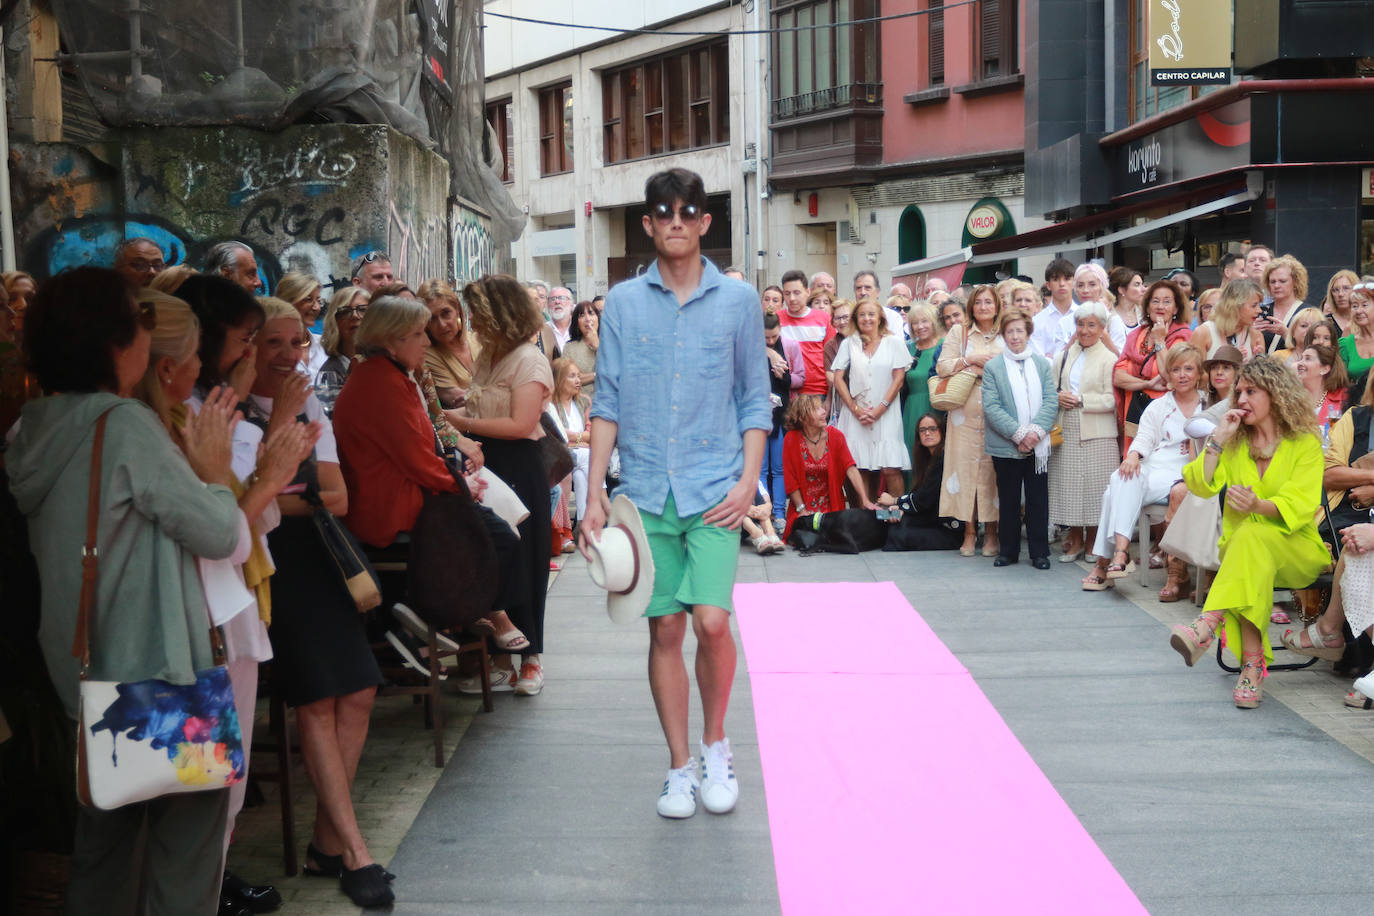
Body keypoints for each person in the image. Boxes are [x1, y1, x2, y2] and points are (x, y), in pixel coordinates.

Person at [7, 267, 243, 915]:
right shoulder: (124, 426)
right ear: (116, 343)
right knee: (186, 854)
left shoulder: (32, 428)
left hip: (82, 677)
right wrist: (217, 474)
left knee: (103, 856)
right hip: (159, 675)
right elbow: (219, 531)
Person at [580, 168, 771, 820]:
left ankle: (718, 744)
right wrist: (595, 494)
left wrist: (749, 482)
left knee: (712, 620)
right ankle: (679, 766)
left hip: (716, 485)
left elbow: (754, 397)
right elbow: (605, 400)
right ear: (648, 223)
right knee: (664, 625)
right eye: (664, 212)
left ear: (705, 222)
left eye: (688, 211)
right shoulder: (624, 304)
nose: (676, 222)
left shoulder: (739, 301)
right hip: (645, 489)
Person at [131, 290, 314, 916]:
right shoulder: (173, 424)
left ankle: (209, 880)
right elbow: (228, 534)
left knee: (186, 779)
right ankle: (203, 889)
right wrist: (265, 476)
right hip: (202, 615)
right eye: (245, 341)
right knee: (200, 778)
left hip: (197, 611)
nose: (250, 357)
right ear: (175, 363)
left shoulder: (155, 420)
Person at [233, 296, 394, 906]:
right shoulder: (226, 410)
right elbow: (247, 504)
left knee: (359, 686)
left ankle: (328, 841)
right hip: (271, 564)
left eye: (296, 342)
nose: (287, 354)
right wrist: (277, 491)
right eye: (271, 342)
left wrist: (274, 491)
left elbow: (337, 495)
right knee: (318, 698)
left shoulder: (310, 403)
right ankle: (354, 852)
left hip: (321, 555)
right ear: (246, 347)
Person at [331, 293, 526, 641]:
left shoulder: (385, 375)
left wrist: (458, 482)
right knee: (498, 536)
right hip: (389, 508)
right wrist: (461, 486)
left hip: (403, 495)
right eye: (419, 333)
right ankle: (458, 613)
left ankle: (459, 615)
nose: (427, 340)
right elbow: (416, 458)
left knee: (496, 526)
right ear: (393, 339)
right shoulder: (381, 382)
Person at [1168, 356, 1328, 709]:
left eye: (1250, 391)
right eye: (1238, 392)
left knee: (1250, 541)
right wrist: (1217, 440)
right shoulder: (1236, 442)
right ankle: (1251, 669)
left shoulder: (1304, 442)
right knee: (1250, 548)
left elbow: (1301, 506)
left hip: (1297, 549)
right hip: (1246, 552)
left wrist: (1259, 507)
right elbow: (1201, 485)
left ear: (1275, 394)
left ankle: (1210, 623)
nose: (1240, 399)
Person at [454, 274, 555, 696]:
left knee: (527, 556)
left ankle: (532, 659)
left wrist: (458, 422)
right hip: (486, 462)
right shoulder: (488, 354)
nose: (470, 320)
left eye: (477, 311)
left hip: (518, 463)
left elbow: (521, 424)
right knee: (496, 559)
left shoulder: (529, 360)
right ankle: (500, 660)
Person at [1082, 343, 1206, 589]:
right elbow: (1144, 438)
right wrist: (1133, 455)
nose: (1182, 375)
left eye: (1188, 369)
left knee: (1112, 492)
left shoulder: (1209, 404)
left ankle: (1105, 562)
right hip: (1156, 465)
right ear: (1167, 374)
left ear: (1199, 373)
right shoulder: (1159, 405)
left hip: (1184, 471)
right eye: (1176, 369)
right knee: (1123, 476)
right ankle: (1120, 553)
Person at [981, 308, 1057, 568]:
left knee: (1038, 501)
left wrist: (1035, 432)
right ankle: (1008, 551)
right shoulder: (993, 367)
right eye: (1010, 331)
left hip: (1039, 446)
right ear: (1003, 335)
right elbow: (991, 407)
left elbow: (1050, 400)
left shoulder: (1042, 364)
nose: (1015, 336)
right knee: (1009, 500)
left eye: (1019, 331)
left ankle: (1039, 553)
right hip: (1006, 445)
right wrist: (1019, 434)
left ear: (1028, 333)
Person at [936, 284, 1004, 556]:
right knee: (963, 471)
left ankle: (991, 533)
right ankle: (968, 532)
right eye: (979, 302)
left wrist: (986, 367)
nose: (984, 307)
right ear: (971, 307)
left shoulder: (1005, 330)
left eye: (989, 302)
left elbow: (1015, 362)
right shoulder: (959, 332)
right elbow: (942, 366)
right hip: (963, 410)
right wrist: (971, 360)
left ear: (997, 305)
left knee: (992, 473)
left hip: (997, 411)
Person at [1048, 301, 1117, 562]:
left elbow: (1112, 400)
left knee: (1096, 488)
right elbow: (1050, 391)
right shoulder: (1063, 355)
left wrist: (1081, 400)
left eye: (1091, 325)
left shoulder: (1110, 359)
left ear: (1102, 328)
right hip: (1067, 425)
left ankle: (1093, 543)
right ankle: (1075, 539)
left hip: (1099, 431)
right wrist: (1059, 398)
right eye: (1080, 324)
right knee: (1070, 486)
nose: (1085, 330)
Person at [832, 299, 913, 498]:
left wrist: (880, 410)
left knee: (890, 468)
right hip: (855, 414)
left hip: (886, 413)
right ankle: (864, 522)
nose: (867, 318)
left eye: (871, 314)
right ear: (855, 319)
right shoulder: (849, 343)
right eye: (862, 315)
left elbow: (899, 378)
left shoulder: (893, 342)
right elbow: (838, 378)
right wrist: (855, 409)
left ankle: (896, 518)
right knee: (860, 468)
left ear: (880, 319)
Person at [782, 394, 876, 540]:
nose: (823, 411)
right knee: (803, 536)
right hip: (804, 509)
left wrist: (865, 500)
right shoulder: (791, 439)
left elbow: (850, 468)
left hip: (832, 509)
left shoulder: (836, 436)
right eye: (816, 409)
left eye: (821, 407)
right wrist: (802, 510)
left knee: (834, 535)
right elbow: (790, 480)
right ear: (803, 418)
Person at [1114, 279, 1193, 437]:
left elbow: (1170, 377)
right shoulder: (1135, 335)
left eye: (1167, 302)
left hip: (1167, 416)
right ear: (1148, 307)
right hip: (1135, 413)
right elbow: (1117, 377)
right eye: (1155, 301)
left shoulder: (1183, 336)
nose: (1160, 306)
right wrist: (1147, 383)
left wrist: (1159, 342)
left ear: (1176, 308)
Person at [763, 311, 805, 528]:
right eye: (766, 337)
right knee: (760, 469)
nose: (770, 341)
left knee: (778, 468)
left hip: (782, 412)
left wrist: (784, 377)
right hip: (759, 413)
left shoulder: (790, 345)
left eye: (773, 336)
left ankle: (779, 513)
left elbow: (801, 377)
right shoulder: (753, 347)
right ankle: (762, 512)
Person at [418, 279, 480, 410]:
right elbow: (456, 399)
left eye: (445, 313)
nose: (441, 324)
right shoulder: (427, 354)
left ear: (457, 310)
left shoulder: (478, 339)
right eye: (432, 318)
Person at [777, 268, 834, 397]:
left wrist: (830, 397)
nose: (791, 298)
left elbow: (832, 360)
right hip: (785, 391)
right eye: (787, 293)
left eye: (797, 293)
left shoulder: (824, 319)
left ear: (808, 292)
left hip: (818, 392)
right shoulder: (775, 319)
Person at [549, 356, 593, 522]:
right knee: (588, 459)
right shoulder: (551, 405)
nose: (578, 381)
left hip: (581, 455)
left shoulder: (584, 402)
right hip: (562, 456)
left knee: (582, 477)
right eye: (572, 376)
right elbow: (557, 436)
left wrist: (573, 436)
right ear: (559, 379)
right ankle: (587, 522)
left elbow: (593, 436)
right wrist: (581, 439)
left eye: (578, 376)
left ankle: (580, 524)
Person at [902, 302, 942, 472]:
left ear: (933, 321)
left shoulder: (945, 345)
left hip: (937, 408)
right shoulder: (907, 348)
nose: (920, 326)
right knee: (913, 455)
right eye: (915, 323)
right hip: (911, 410)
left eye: (924, 321)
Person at [316, 286, 369, 414]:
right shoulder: (329, 374)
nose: (355, 316)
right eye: (345, 311)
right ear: (334, 320)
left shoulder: (384, 361)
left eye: (362, 310)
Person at [1189, 278, 1265, 361]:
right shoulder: (1203, 333)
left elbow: (1260, 373)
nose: (1259, 310)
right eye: (1254, 305)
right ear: (1235, 306)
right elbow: (1196, 372)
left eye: (1259, 305)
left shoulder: (1256, 336)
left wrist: (1258, 363)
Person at [277, 271, 327, 380]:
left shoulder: (324, 345)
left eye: (318, 300)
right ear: (287, 302)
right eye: (308, 299)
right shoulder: (271, 348)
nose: (317, 307)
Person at [1257, 254, 1308, 350]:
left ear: (1295, 283)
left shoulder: (1307, 312)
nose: (1276, 285)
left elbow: (1314, 349)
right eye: (1272, 281)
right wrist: (1250, 332)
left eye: (1282, 281)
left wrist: (1285, 334)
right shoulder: (1259, 310)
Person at [1030, 257, 1077, 360]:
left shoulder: (1084, 316)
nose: (1062, 284)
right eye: (1056, 279)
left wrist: (1053, 357)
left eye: (1067, 278)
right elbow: (1039, 360)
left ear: (1074, 282)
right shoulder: (1037, 321)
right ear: (1048, 285)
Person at [1293, 343, 1348, 432]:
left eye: (1308, 358)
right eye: (1301, 358)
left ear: (1324, 369)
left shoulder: (1343, 397)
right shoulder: (1291, 397)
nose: (1300, 363)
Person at [1339, 280, 1374, 402]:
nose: (1359, 311)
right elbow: (1341, 385)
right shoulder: (1345, 344)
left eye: (1365, 305)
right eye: (1354, 306)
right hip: (1357, 411)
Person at [1075, 263, 1122, 353]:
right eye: (1080, 285)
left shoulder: (1113, 320)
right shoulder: (1066, 321)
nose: (1085, 290)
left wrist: (1105, 338)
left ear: (1101, 287)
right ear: (1075, 289)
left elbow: (1121, 359)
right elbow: (1057, 362)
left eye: (1092, 284)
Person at [562, 299, 600, 397]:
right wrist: (597, 375)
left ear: (598, 318)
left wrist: (597, 346)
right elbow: (567, 379)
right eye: (582, 315)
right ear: (577, 323)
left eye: (591, 313)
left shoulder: (610, 343)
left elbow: (614, 373)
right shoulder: (570, 347)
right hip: (580, 403)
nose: (588, 319)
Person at [1108, 266, 1145, 338]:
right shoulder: (1108, 316)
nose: (1143, 289)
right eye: (1137, 284)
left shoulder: (1145, 313)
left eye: (1142, 284)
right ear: (1121, 290)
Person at [1322, 269, 1359, 334]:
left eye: (1346, 288)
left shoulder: (1367, 321)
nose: (1340, 294)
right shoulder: (1324, 323)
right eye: (1335, 290)